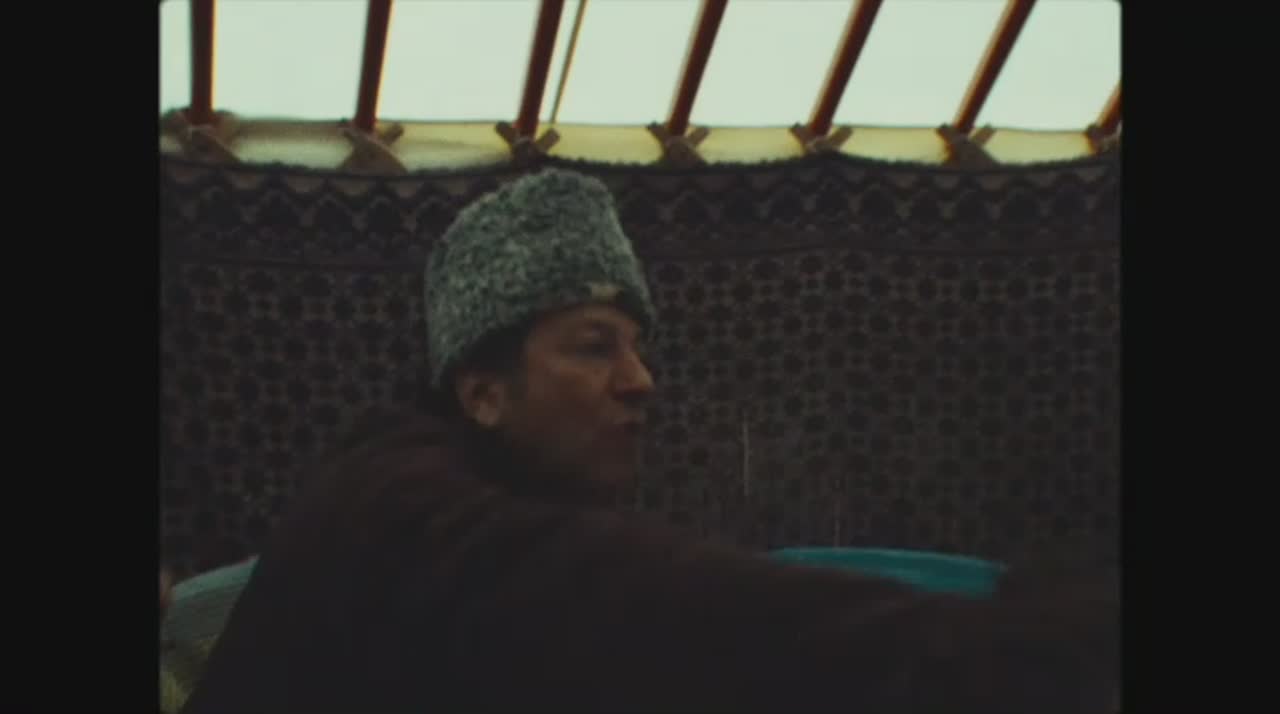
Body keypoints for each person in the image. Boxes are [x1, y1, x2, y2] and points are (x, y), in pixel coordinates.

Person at [180, 169, 1118, 713]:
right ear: (483, 392)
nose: (641, 380)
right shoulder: (400, 508)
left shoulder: (479, 494)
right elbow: (667, 606)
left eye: (636, 347)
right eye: (595, 347)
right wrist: (1016, 647)